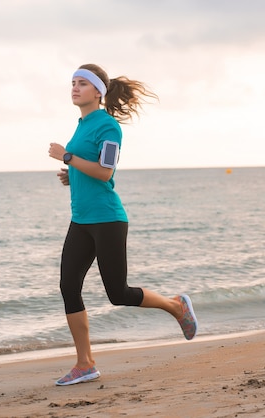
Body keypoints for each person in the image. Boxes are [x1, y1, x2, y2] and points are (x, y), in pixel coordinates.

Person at [48, 64, 198, 386]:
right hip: (81, 220)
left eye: (81, 83)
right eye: (72, 83)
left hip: (108, 220)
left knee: (118, 293)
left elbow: (105, 172)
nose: (74, 88)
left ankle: (175, 306)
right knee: (68, 286)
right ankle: (84, 363)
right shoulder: (81, 124)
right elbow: (90, 170)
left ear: (98, 92)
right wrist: (71, 176)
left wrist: (67, 159)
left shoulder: (108, 126)